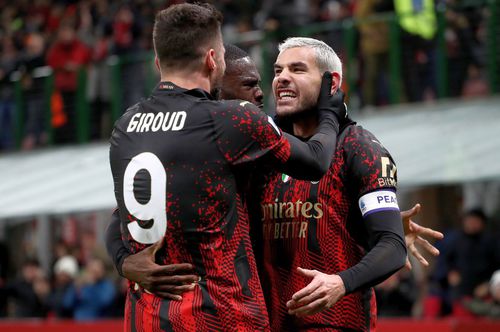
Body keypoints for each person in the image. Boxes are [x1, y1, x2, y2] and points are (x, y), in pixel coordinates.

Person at [107, 40, 444, 329]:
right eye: (278, 70)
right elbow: (123, 216)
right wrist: (125, 261)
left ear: (332, 83)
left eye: (297, 70)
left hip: (332, 324)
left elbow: (391, 247)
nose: (281, 78)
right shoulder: (256, 151)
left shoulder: (360, 148)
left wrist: (341, 281)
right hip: (263, 321)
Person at [109, 4, 345, 332]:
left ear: (158, 63)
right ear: (212, 60)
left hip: (146, 317)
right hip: (219, 315)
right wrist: (331, 109)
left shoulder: (125, 127)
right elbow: (317, 160)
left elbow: (118, 220)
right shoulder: (231, 119)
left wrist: (122, 262)